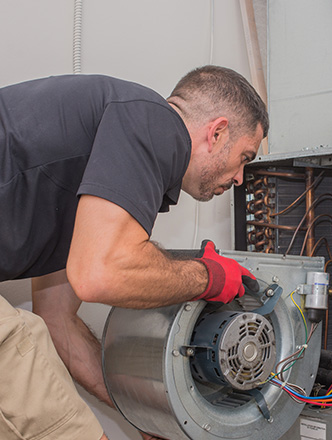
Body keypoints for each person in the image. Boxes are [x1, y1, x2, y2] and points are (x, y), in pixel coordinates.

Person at [0, 65, 269, 440]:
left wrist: (143, 416)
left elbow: (57, 321)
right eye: (245, 157)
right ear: (217, 131)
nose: (240, 178)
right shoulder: (154, 121)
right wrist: (210, 276)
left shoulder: (99, 171)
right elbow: (101, 275)